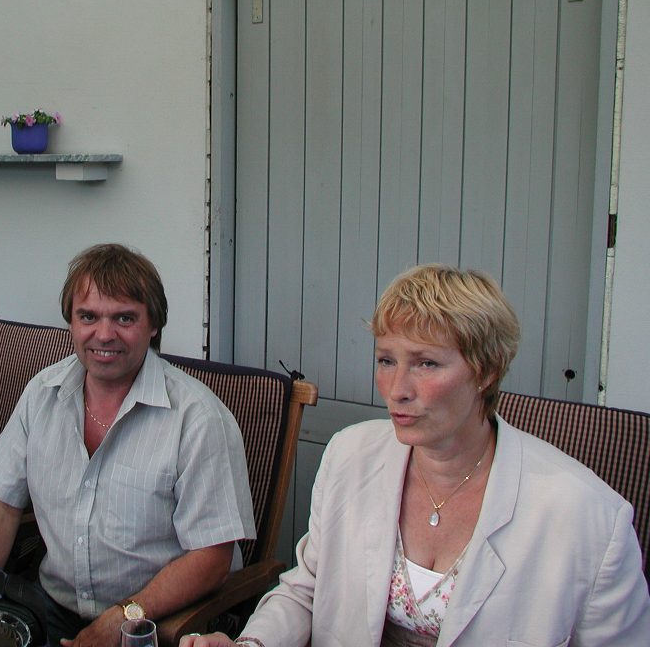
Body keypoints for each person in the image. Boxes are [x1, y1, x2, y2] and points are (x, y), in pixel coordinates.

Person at [183, 263, 650, 647]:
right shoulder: (350, 455)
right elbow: (308, 590)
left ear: (486, 370)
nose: (396, 390)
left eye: (426, 363)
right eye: (387, 360)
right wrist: (252, 643)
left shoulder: (590, 519)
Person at [0, 243, 256, 647]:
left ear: (153, 325)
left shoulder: (199, 419)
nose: (104, 334)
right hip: (50, 609)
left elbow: (212, 559)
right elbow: (1, 506)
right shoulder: (42, 394)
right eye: (88, 316)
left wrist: (125, 616)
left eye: (124, 318)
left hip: (159, 623)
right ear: (71, 322)